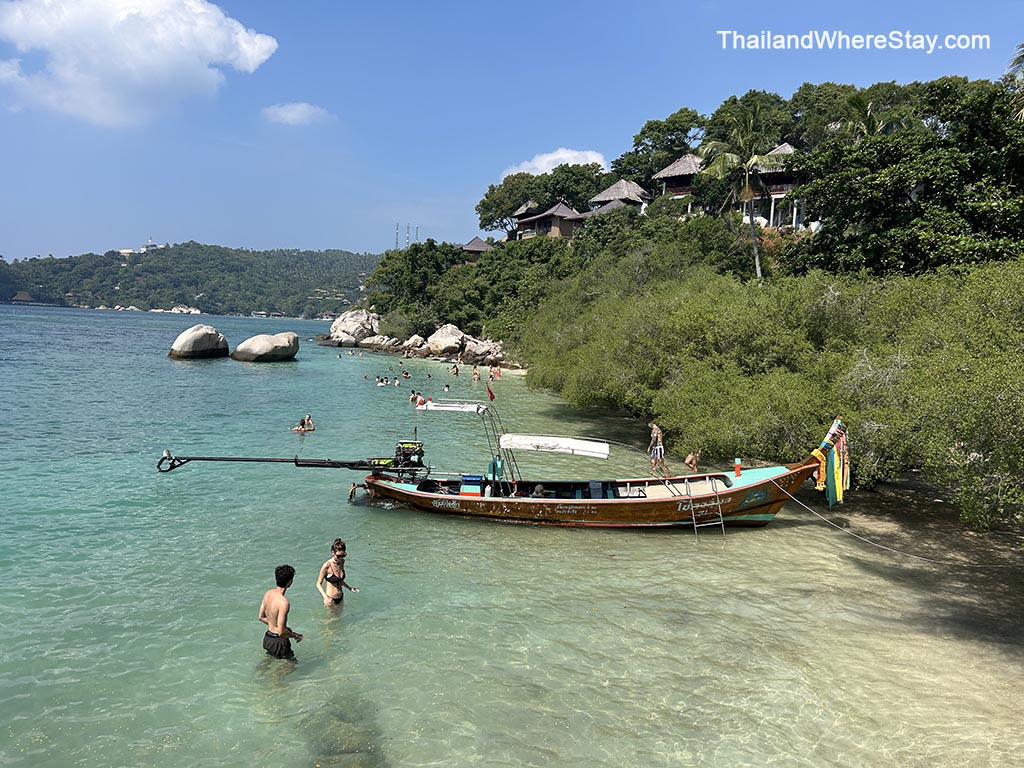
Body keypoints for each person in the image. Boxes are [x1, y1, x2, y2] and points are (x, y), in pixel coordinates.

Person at [258, 565, 303, 659]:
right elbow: (281, 632)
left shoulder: (268, 593)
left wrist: (274, 625)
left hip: (268, 638)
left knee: (269, 661)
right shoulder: (284, 603)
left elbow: (261, 617)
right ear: (290, 582)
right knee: (291, 665)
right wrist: (295, 635)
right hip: (278, 642)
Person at [316, 538, 359, 607]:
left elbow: (339, 580)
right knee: (333, 618)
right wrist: (326, 598)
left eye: (343, 555)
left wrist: (350, 588)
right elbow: (318, 584)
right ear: (333, 552)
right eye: (339, 556)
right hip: (330, 599)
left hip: (341, 597)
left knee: (340, 617)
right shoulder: (326, 566)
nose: (341, 558)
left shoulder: (342, 562)